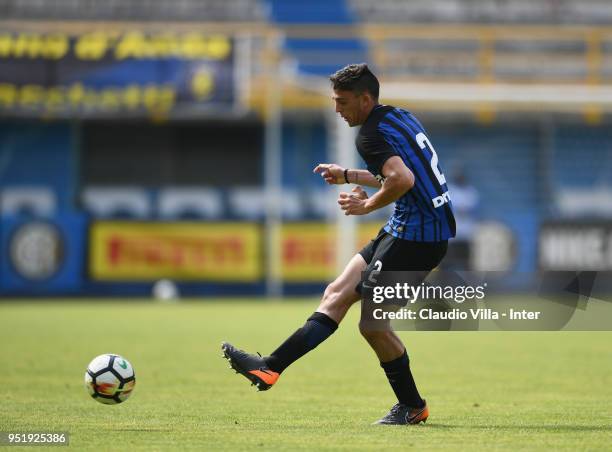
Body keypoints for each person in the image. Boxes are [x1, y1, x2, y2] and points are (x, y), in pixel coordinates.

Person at [222, 63, 455, 425]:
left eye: (343, 102)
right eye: (334, 100)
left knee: (373, 326)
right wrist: (348, 175)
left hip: (418, 238)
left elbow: (402, 179)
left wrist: (365, 205)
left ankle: (413, 407)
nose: (337, 109)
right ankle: (269, 368)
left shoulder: (369, 136)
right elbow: (400, 172)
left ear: (365, 99)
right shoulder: (399, 117)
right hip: (406, 227)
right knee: (336, 293)